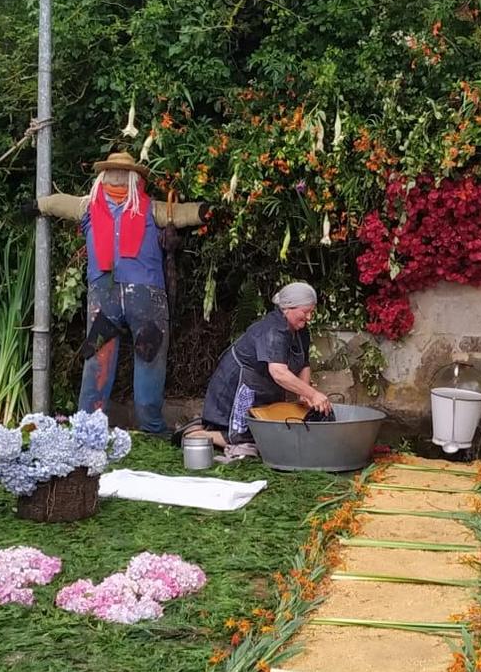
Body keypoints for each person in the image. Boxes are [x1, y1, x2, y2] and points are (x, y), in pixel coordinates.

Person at [34, 150, 204, 435]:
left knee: (149, 359)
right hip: (107, 299)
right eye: (113, 172)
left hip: (144, 300)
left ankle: (150, 427)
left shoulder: (150, 208)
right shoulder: (89, 207)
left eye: (123, 173)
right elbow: (60, 203)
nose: (118, 178)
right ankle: (88, 427)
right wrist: (39, 205)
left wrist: (203, 211)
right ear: (103, 176)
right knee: (97, 360)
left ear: (134, 178)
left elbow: (181, 214)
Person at [196, 282, 330, 455]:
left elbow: (303, 363)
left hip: (264, 387)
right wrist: (313, 394)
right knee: (248, 438)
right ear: (288, 308)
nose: (310, 317)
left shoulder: (301, 330)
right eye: (305, 312)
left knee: (270, 433)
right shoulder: (273, 330)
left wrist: (304, 394)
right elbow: (279, 373)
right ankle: (200, 435)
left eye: (312, 311)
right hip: (238, 386)